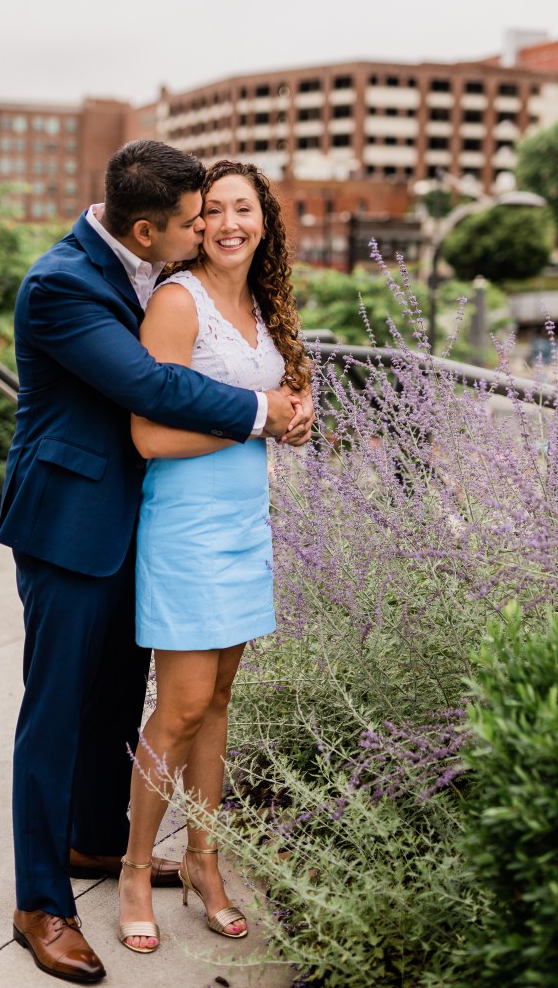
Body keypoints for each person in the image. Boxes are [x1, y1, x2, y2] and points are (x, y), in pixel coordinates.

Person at [0, 141, 314, 984]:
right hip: (69, 524)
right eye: (192, 220)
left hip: (142, 521)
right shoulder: (61, 283)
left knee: (114, 698)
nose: (205, 230)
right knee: (56, 712)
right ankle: (40, 903)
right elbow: (152, 389)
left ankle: (96, 841)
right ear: (147, 229)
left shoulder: (144, 264)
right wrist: (265, 410)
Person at [117, 159, 312, 954]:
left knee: (219, 702)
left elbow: (273, 405)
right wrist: (262, 421)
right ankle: (136, 870)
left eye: (244, 209)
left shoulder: (263, 305)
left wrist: (292, 419)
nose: (230, 224)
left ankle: (204, 860)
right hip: (188, 529)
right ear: (196, 224)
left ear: (264, 222)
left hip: (245, 523)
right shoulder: (177, 300)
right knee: (180, 709)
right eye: (215, 211)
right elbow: (150, 435)